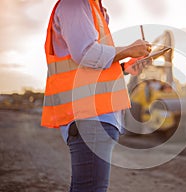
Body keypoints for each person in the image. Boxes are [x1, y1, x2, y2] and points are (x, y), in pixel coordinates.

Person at [41, 0, 151, 191]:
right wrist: (128, 50)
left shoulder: (92, 7)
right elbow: (85, 53)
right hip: (90, 118)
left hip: (96, 118)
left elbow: (90, 67)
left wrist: (125, 66)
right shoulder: (75, 4)